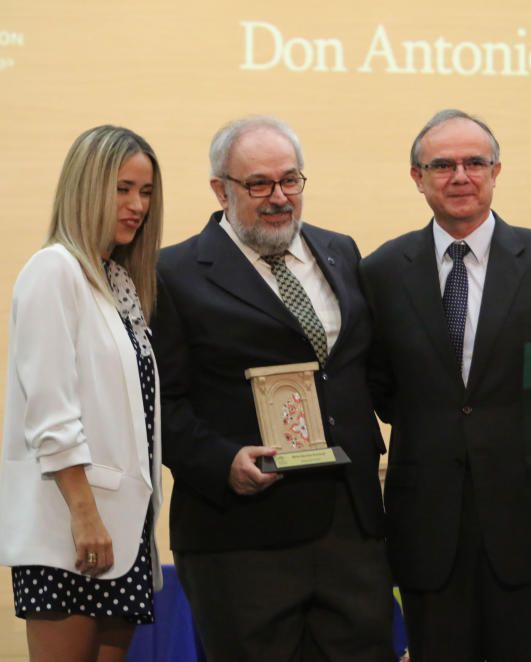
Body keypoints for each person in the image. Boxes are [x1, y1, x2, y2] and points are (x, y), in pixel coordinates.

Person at [361, 109, 531, 661]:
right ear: (416, 177)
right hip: (426, 530)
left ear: (496, 171)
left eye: (475, 163)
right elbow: (379, 389)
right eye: (442, 164)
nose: (460, 176)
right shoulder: (381, 271)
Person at [151, 116, 393, 661]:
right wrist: (220, 461)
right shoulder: (174, 273)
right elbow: (157, 401)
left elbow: (362, 372)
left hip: (350, 530)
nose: (279, 197)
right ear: (221, 189)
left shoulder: (342, 252)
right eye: (259, 184)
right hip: (241, 537)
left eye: (291, 180)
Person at [0, 125, 164, 661]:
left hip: (121, 528)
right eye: (122, 188)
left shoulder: (117, 282)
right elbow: (50, 411)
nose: (136, 205)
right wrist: (85, 513)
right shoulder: (53, 270)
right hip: (71, 529)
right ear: (86, 186)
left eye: (145, 191)